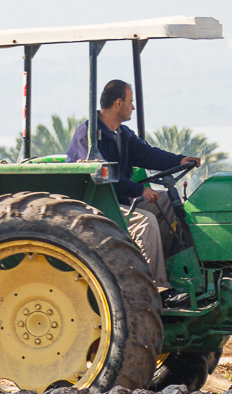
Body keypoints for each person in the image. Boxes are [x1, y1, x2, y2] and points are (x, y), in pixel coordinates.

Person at [66, 79, 200, 294]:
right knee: (146, 222)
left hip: (120, 200)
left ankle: (177, 272)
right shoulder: (89, 136)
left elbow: (149, 155)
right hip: (98, 204)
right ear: (118, 103)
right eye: (131, 102)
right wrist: (139, 190)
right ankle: (155, 286)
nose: (133, 107)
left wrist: (180, 160)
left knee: (167, 202)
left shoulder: (123, 134)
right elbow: (102, 175)